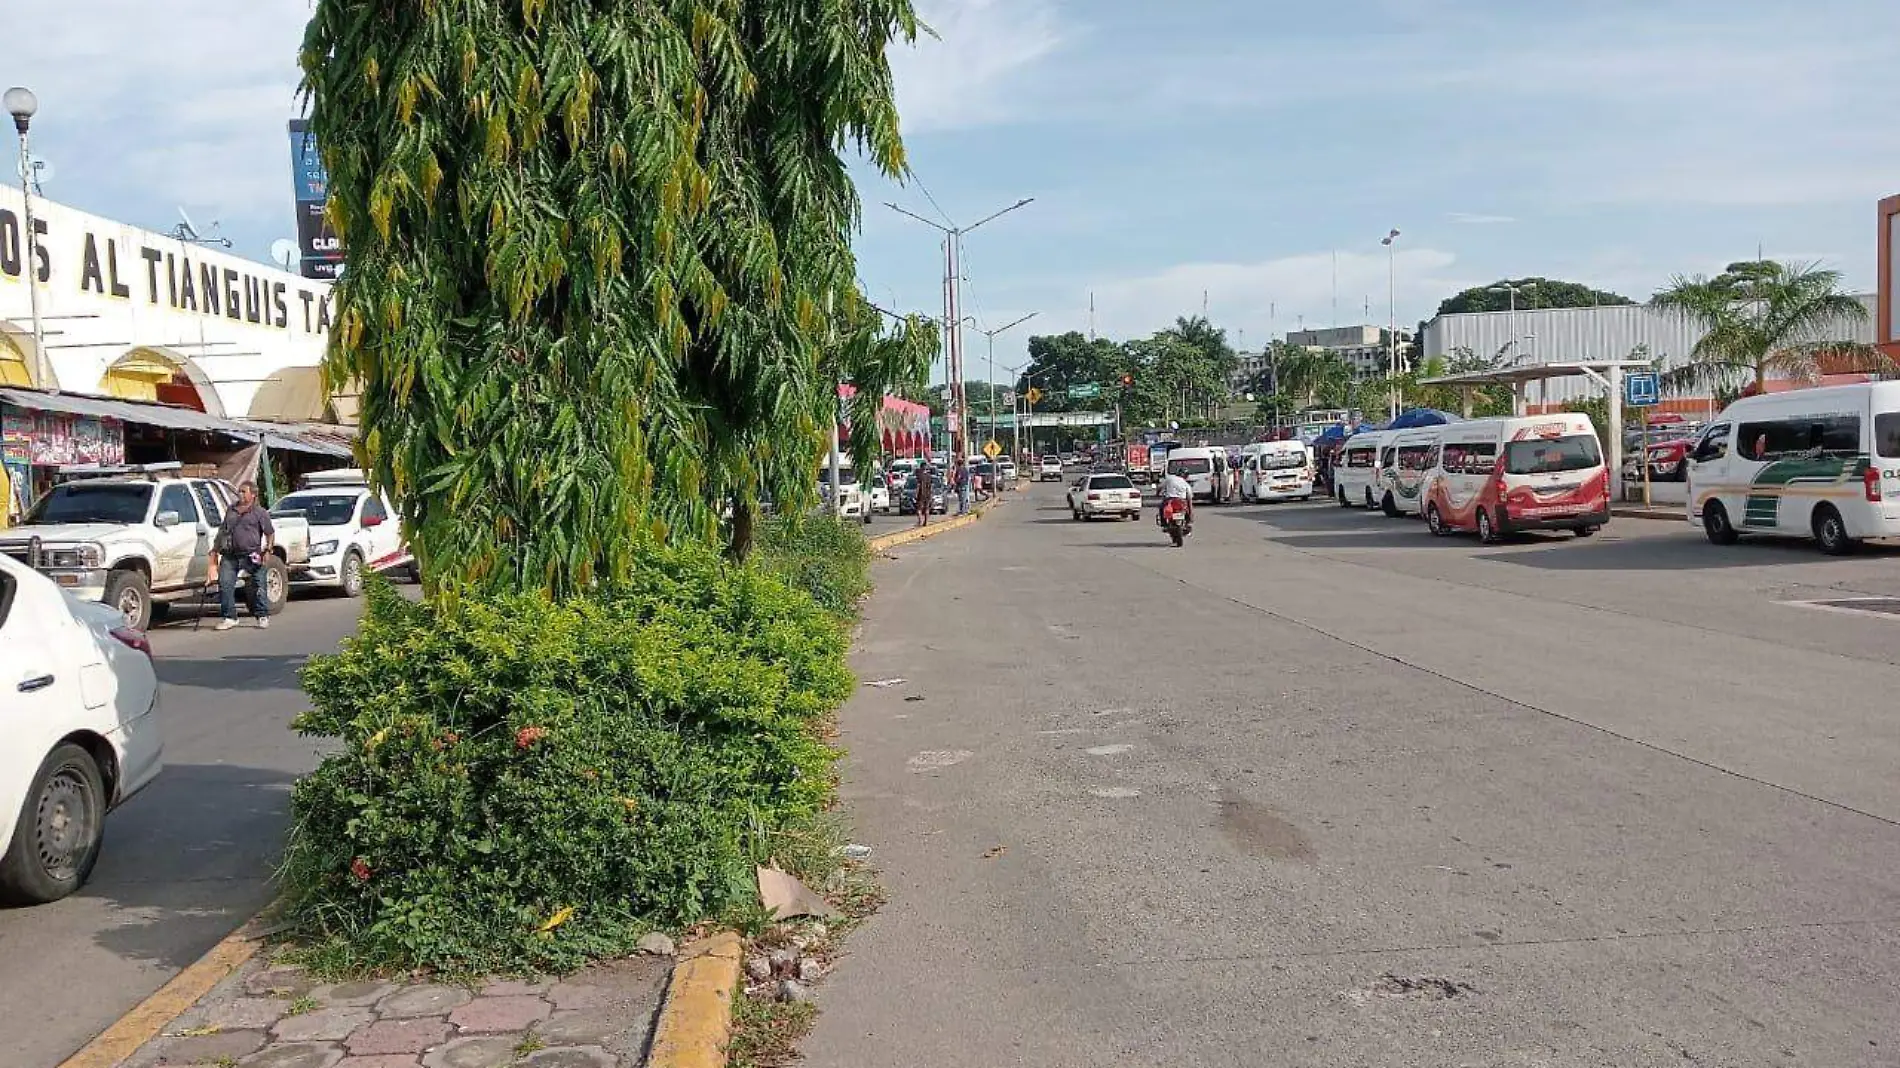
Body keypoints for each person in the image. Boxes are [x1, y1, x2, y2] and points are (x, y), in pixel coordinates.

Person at [208, 481, 276, 631]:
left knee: (259, 584)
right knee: (225, 584)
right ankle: (229, 617)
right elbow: (223, 531)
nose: (240, 494)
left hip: (252, 554)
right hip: (230, 554)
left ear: (253, 494)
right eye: (239, 491)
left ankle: (262, 615)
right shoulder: (231, 510)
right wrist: (215, 549)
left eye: (244, 491)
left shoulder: (260, 512)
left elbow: (270, 533)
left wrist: (268, 550)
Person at [913, 461, 934, 528]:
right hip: (928, 494)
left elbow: (918, 485)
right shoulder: (929, 476)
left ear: (921, 467)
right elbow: (931, 486)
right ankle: (926, 522)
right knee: (926, 508)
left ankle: (920, 521)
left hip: (921, 494)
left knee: (919, 509)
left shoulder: (920, 475)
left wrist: (916, 494)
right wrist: (931, 494)